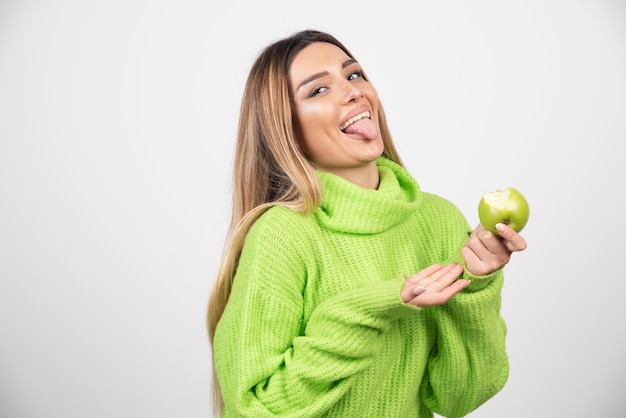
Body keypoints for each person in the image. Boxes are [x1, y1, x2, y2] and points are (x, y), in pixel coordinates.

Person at [206, 29, 527, 418]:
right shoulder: (281, 235)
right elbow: (251, 408)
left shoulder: (438, 219)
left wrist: (478, 286)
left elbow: (459, 398)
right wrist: (369, 309)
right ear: (286, 128)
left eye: (353, 74)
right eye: (318, 90)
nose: (353, 91)